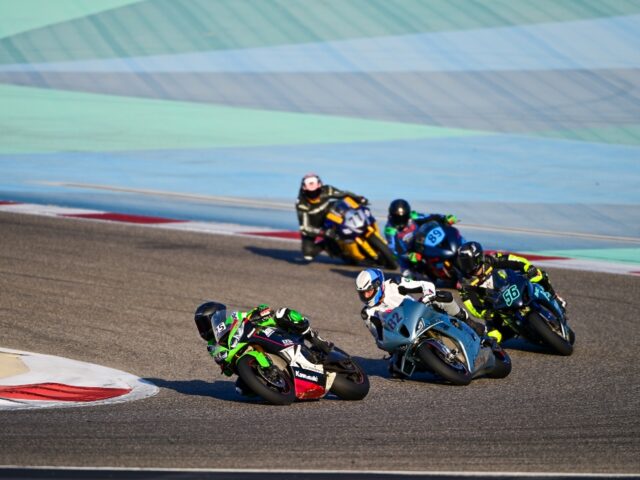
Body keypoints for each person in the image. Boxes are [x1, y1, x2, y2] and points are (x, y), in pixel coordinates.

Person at [355, 268, 486, 377]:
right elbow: (379, 339)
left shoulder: (394, 284)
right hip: (403, 337)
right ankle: (436, 364)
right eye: (362, 293)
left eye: (368, 291)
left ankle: (468, 322)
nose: (366, 296)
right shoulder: (368, 313)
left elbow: (426, 285)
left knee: (442, 297)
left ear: (378, 285)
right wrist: (389, 343)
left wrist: (428, 295)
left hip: (421, 314)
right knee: (396, 369)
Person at [203, 303, 332, 396]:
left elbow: (261, 309)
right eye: (200, 325)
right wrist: (225, 363)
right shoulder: (212, 346)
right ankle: (278, 385)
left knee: (283, 314)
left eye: (203, 323)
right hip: (248, 359)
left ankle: (314, 338)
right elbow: (227, 371)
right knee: (241, 390)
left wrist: (259, 313)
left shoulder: (234, 318)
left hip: (270, 333)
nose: (203, 328)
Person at [455, 241, 567, 343]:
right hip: (497, 309)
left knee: (539, 275)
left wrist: (528, 267)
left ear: (477, 258)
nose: (465, 266)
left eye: (467, 262)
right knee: (492, 337)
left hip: (515, 286)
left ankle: (555, 297)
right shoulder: (466, 284)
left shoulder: (492, 259)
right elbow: (472, 306)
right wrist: (484, 313)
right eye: (463, 263)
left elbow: (515, 260)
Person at [296, 173, 368, 262]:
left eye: (316, 191)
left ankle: (358, 226)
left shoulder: (327, 190)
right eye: (310, 192)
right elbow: (305, 227)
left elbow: (344, 194)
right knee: (308, 254)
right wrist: (323, 233)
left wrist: (358, 198)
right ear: (304, 189)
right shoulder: (301, 203)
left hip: (329, 216)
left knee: (342, 205)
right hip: (314, 225)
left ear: (320, 186)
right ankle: (327, 245)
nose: (314, 195)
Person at [384, 198, 459, 278]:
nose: (400, 220)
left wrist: (445, 218)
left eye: (403, 217)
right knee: (408, 277)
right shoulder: (390, 229)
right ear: (392, 216)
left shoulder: (413, 216)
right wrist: (408, 256)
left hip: (424, 242)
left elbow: (430, 217)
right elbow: (393, 249)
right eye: (397, 217)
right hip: (408, 252)